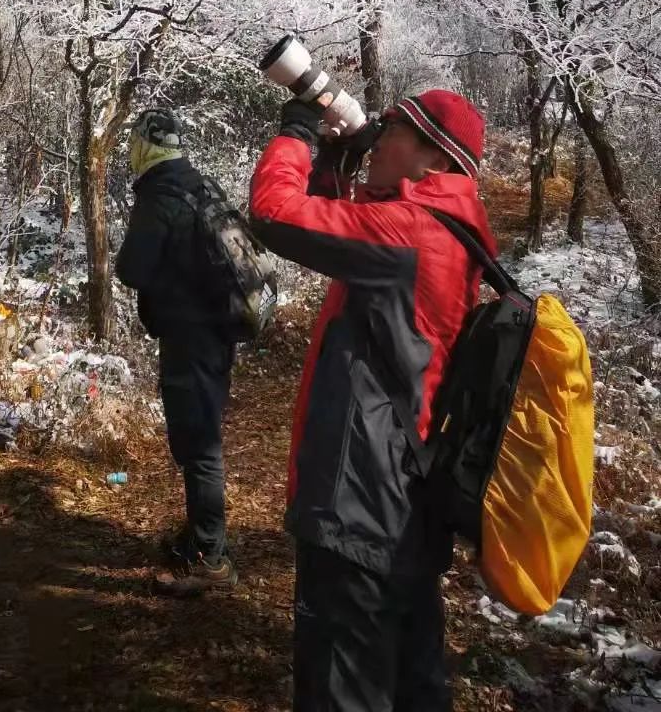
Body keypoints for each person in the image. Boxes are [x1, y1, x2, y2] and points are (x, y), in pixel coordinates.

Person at [249, 89, 494, 712]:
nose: (379, 139)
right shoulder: (443, 231)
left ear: (434, 161)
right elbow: (340, 227)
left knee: (344, 693)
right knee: (411, 687)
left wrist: (297, 136)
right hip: (404, 503)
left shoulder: (409, 236)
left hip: (359, 502)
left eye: (393, 132)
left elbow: (276, 214)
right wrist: (336, 161)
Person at [115, 108, 238, 596]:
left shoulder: (159, 196)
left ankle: (211, 558)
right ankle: (201, 540)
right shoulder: (201, 185)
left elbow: (131, 270)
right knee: (200, 438)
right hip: (219, 331)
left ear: (145, 146)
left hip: (189, 337)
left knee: (199, 447)